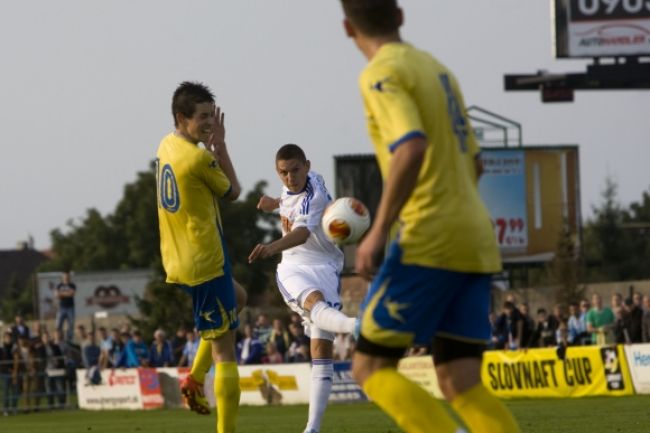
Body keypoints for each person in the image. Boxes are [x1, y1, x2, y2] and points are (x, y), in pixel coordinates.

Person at [339, 2, 521, 432]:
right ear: (400, 16)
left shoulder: (380, 73)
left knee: (370, 368)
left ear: (348, 28)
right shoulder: (439, 71)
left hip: (427, 237)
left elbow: (411, 146)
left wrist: (378, 230)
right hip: (475, 237)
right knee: (461, 381)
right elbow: (475, 165)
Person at [248, 143, 358, 433]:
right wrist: (276, 203)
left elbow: (301, 232)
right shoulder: (297, 186)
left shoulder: (315, 191)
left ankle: (312, 428)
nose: (290, 177)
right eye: (283, 172)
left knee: (321, 349)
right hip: (294, 267)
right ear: (277, 172)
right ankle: (354, 326)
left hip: (326, 266)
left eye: (295, 170)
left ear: (307, 166)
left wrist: (270, 247)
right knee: (315, 301)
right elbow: (290, 202)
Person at [156, 81, 242, 432]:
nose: (209, 123)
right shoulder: (200, 157)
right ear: (182, 117)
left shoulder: (166, 143)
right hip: (205, 261)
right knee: (227, 353)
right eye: (203, 117)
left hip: (177, 259)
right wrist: (220, 146)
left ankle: (193, 376)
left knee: (240, 297)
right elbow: (234, 192)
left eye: (212, 115)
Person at [54, 272, 76, 342]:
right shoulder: (59, 285)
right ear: (63, 277)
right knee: (58, 324)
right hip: (61, 308)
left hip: (70, 307)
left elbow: (72, 294)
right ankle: (59, 338)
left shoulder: (72, 285)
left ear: (69, 277)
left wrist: (62, 294)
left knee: (71, 324)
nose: (66, 278)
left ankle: (69, 339)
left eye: (67, 276)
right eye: (65, 276)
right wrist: (66, 293)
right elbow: (57, 295)